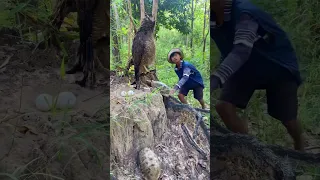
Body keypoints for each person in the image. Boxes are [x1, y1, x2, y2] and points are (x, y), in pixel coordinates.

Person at [210, 0, 305, 151]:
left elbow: (241, 51)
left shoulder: (245, 13)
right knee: (224, 107)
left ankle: (300, 148)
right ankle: (252, 150)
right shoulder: (212, 17)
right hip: (244, 67)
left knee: (288, 119)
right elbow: (227, 46)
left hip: (277, 66)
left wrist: (216, 79)